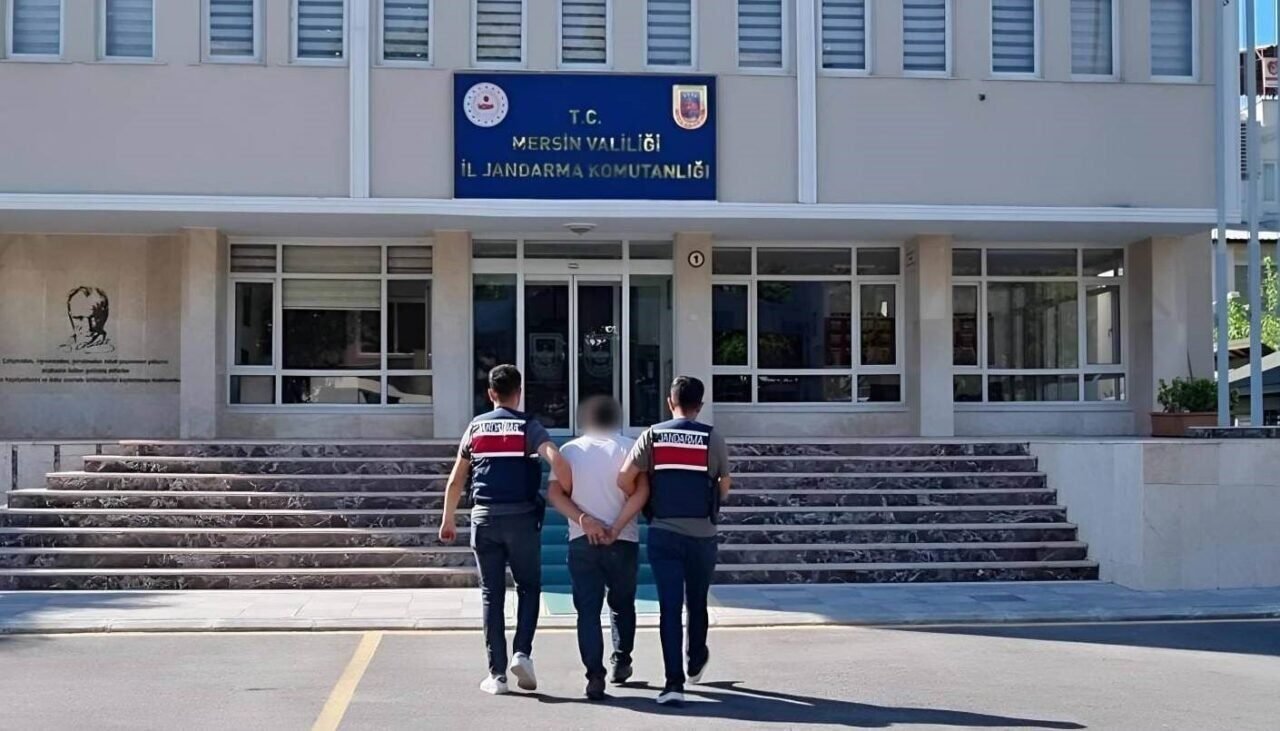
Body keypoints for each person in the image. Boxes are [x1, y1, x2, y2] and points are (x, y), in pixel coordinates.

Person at [440, 364, 572, 696]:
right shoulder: (529, 426)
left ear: (490, 394)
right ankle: (522, 653)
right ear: (519, 393)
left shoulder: (476, 427)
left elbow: (457, 479)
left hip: (484, 519)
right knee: (529, 588)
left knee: (492, 594)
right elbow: (555, 458)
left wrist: (447, 519)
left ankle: (496, 675)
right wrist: (566, 486)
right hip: (522, 519)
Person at [618, 376, 732, 707]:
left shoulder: (652, 435)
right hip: (702, 535)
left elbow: (624, 478)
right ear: (700, 405)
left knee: (669, 607)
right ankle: (695, 658)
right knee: (697, 602)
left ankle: (673, 684)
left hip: (664, 532)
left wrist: (646, 496)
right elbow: (725, 485)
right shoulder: (712, 438)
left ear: (670, 402)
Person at [546, 396, 649, 701]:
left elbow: (555, 493)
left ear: (587, 419)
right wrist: (616, 526)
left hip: (582, 540)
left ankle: (594, 676)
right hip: (623, 539)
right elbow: (642, 491)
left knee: (587, 611)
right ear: (616, 418)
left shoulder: (570, 451)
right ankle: (622, 660)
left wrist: (583, 520)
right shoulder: (631, 447)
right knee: (622, 603)